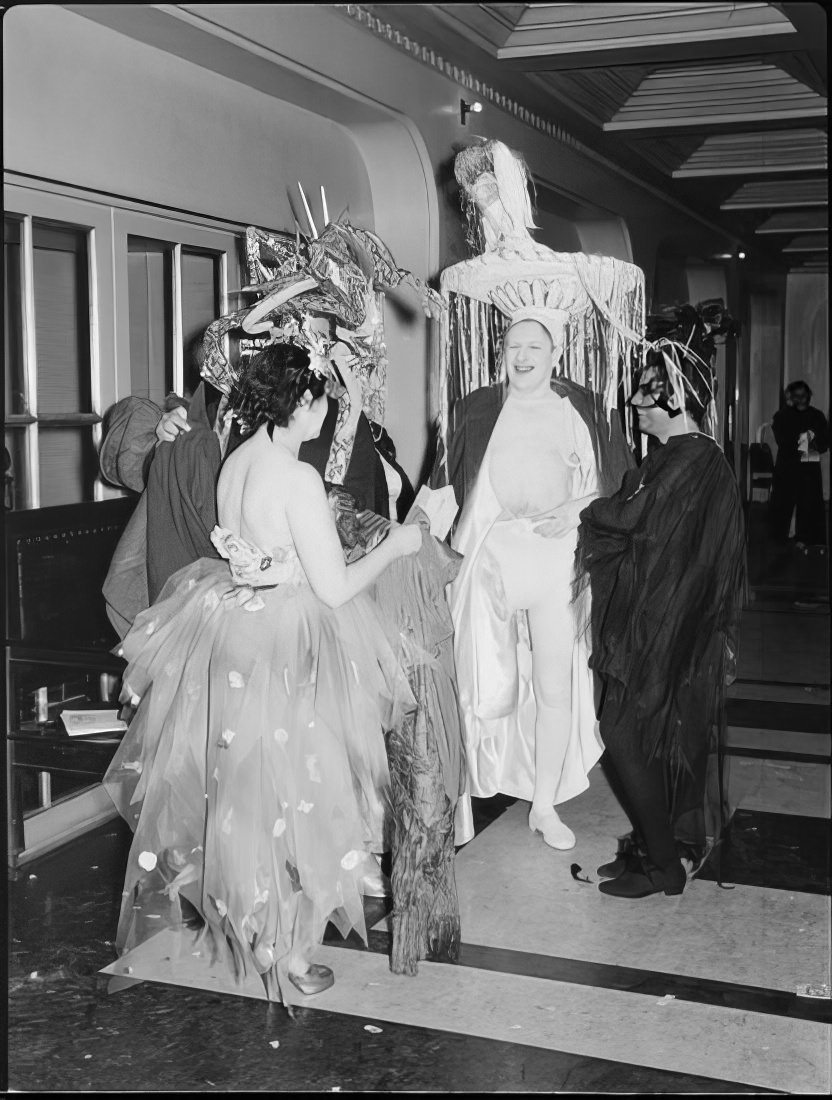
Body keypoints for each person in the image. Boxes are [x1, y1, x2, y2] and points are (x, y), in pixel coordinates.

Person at [104, 342, 421, 1005]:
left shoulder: (237, 463)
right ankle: (294, 954)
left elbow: (252, 556)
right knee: (302, 792)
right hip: (288, 641)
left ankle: (260, 932)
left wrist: (285, 567)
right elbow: (334, 590)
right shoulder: (295, 476)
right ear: (301, 402)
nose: (326, 410)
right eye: (322, 399)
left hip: (233, 630)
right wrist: (397, 545)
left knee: (245, 791)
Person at [434, 139, 641, 849]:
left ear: (554, 352)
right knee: (477, 689)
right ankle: (461, 798)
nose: (522, 357)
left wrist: (577, 508)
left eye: (535, 348)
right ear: (503, 352)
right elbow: (445, 484)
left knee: (558, 685)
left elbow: (611, 485)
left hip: (556, 560)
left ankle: (547, 804)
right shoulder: (473, 408)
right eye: (514, 347)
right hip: (491, 558)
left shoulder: (581, 407)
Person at [575, 335, 746, 899]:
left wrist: (578, 509)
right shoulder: (676, 457)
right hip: (659, 619)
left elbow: (630, 518)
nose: (636, 403)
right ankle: (652, 851)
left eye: (648, 394)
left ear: (678, 398)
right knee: (642, 737)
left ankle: (665, 866)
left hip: (670, 626)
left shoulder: (694, 459)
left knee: (622, 732)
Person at [769, 380, 829, 551]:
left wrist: (807, 442)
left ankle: (806, 537)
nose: (801, 400)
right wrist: (805, 440)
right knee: (784, 500)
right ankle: (782, 535)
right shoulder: (783, 416)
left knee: (808, 500)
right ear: (791, 397)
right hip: (788, 465)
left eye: (804, 396)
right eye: (797, 396)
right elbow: (783, 439)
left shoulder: (816, 416)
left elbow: (824, 443)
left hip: (808, 465)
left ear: (809, 396)